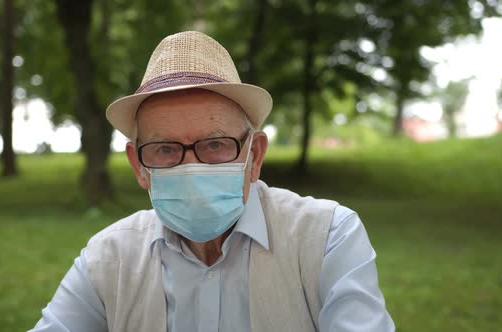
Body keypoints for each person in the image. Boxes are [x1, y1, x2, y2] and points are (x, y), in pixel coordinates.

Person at [30, 31, 395, 332]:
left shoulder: (327, 236)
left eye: (215, 144)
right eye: (165, 149)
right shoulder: (108, 259)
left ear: (254, 156)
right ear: (138, 166)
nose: (191, 166)